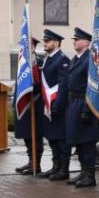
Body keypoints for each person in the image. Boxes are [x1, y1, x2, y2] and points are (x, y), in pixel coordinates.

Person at [60, 27, 99, 188]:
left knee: (87, 142)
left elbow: (92, 86)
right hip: (73, 104)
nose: (74, 42)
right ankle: (84, 172)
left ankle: (90, 175)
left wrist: (87, 109)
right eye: (74, 39)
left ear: (86, 42)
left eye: (77, 39)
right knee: (77, 141)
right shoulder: (75, 59)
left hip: (85, 104)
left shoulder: (90, 59)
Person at [37, 30, 72, 180]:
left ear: (57, 43)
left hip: (59, 107)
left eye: (48, 41)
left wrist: (57, 105)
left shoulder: (62, 60)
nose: (45, 43)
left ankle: (64, 170)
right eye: (45, 41)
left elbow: (63, 85)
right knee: (52, 138)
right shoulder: (48, 59)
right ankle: (55, 167)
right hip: (49, 105)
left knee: (61, 139)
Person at [14, 37, 45, 173]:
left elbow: (41, 85)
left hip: (35, 104)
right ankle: (30, 161)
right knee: (27, 134)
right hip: (25, 105)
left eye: (27, 46)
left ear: (33, 47)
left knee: (35, 136)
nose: (24, 48)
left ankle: (36, 164)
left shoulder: (38, 62)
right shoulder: (22, 63)